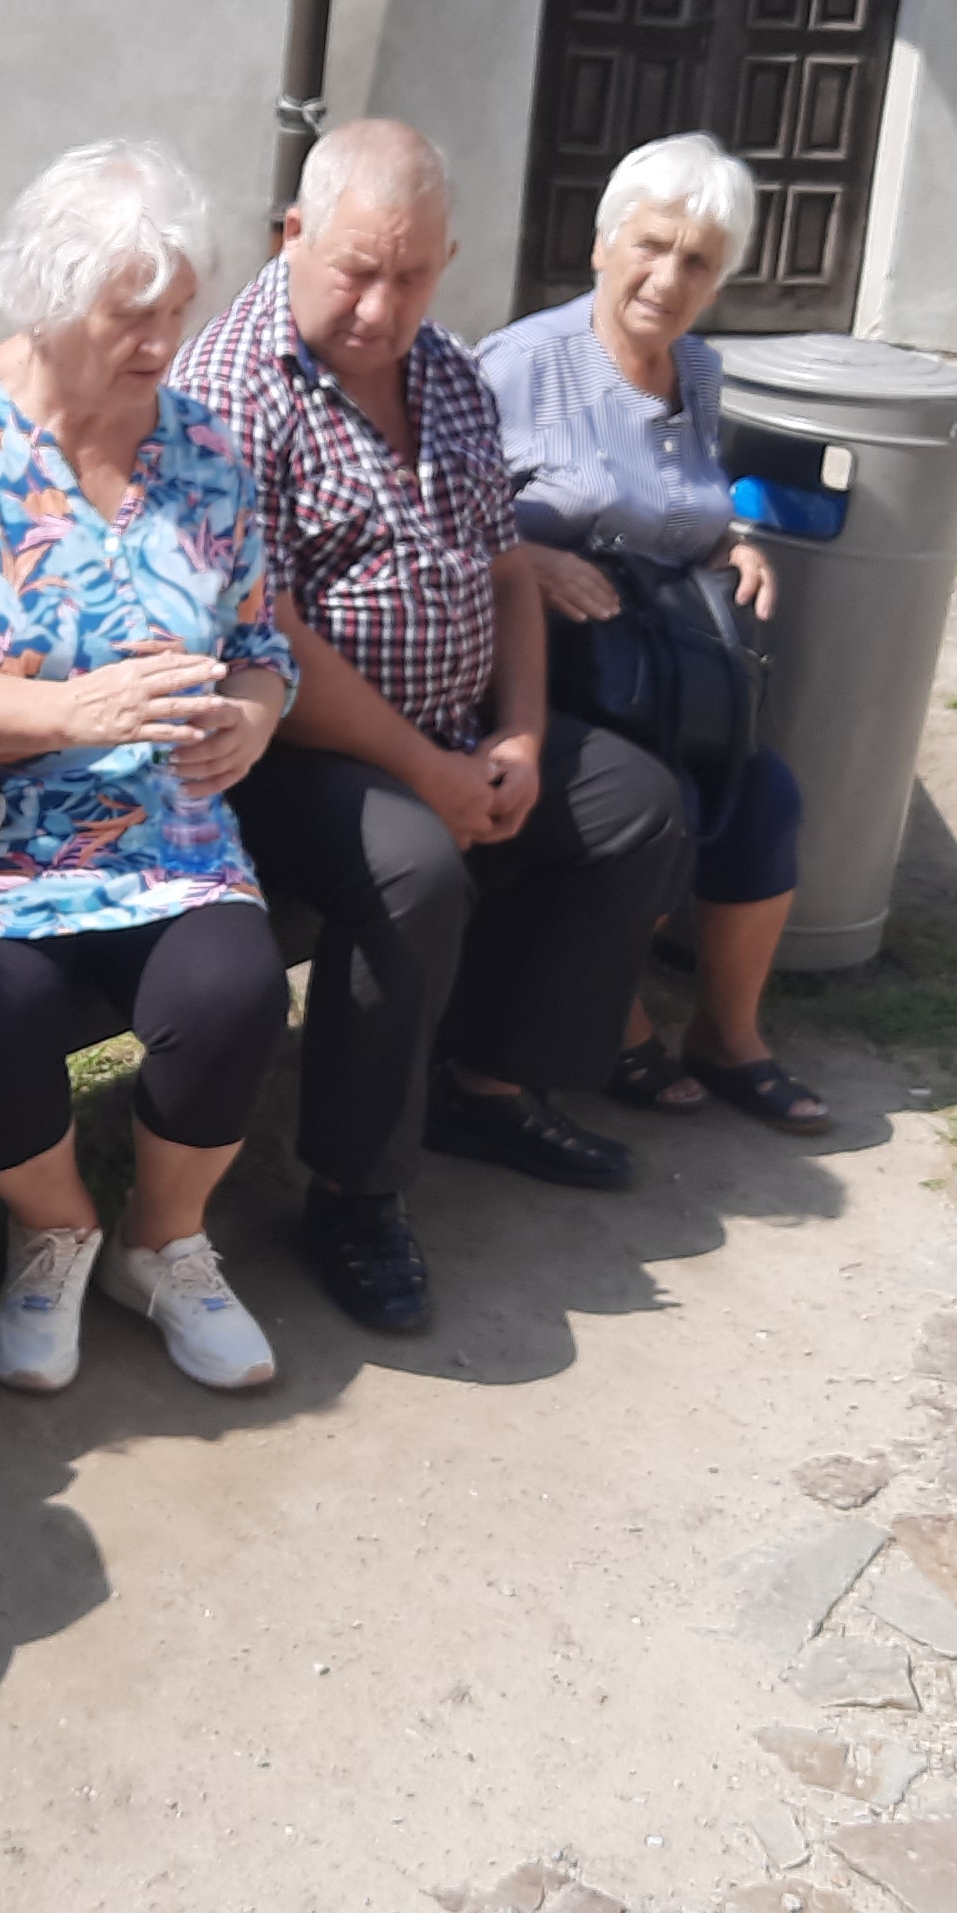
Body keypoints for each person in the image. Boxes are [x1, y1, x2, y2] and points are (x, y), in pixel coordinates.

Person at [169, 120, 692, 1336]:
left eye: (411, 276)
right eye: (357, 270)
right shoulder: (231, 387)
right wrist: (430, 772)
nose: (380, 306)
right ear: (292, 236)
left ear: (446, 262)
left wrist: (518, 740)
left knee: (634, 808)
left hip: (451, 728)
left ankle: (485, 1083)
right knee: (410, 870)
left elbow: (506, 569)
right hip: (282, 752)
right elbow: (262, 629)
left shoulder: (446, 368)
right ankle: (354, 1194)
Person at [0, 140, 299, 1393]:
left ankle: (161, 1242)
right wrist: (65, 713)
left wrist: (251, 715)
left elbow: (259, 645)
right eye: (130, 315)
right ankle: (56, 1228)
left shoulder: (205, 451)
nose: (162, 342)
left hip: (162, 835)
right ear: (42, 298)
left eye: (178, 310)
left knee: (234, 996)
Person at [480, 131, 830, 1132]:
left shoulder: (699, 372)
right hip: (544, 676)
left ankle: (727, 1035)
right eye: (651, 246)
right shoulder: (517, 367)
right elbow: (441, 520)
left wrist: (736, 547)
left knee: (764, 795)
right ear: (602, 245)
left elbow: (687, 508)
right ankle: (618, 1022)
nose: (668, 279)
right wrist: (525, 557)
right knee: (655, 802)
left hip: (662, 672)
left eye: (697, 261)